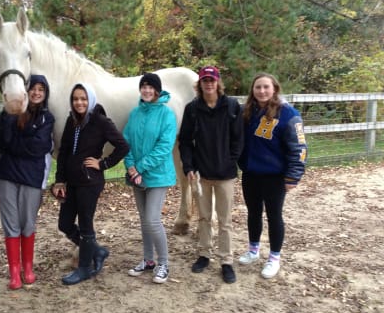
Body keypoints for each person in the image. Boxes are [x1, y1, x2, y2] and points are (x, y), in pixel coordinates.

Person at [51, 83, 129, 285]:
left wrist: (102, 164)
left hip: (89, 182)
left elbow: (122, 146)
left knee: (86, 225)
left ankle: (84, 268)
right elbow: (65, 151)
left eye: (83, 99)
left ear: (91, 100)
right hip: (71, 182)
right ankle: (97, 251)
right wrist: (60, 179)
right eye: (76, 99)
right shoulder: (72, 121)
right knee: (65, 223)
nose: (79, 102)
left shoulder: (101, 121)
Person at [178, 65, 244, 284]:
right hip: (201, 173)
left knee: (225, 220)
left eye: (212, 80)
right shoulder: (193, 109)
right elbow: (185, 141)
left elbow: (238, 139)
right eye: (205, 80)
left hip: (225, 173)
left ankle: (226, 260)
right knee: (204, 217)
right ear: (200, 84)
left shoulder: (232, 106)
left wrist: (230, 160)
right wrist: (188, 167)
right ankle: (204, 254)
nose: (208, 84)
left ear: (218, 82)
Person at [237, 73, 307, 279]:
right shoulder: (246, 112)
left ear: (274, 88)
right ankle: (253, 250)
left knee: (274, 216)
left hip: (275, 176)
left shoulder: (288, 114)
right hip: (251, 173)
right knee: (253, 213)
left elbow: (299, 147)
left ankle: (274, 257)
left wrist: (293, 175)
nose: (262, 91)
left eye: (266, 87)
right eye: (257, 87)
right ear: (253, 90)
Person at [0, 74, 55, 289]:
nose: (37, 93)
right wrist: (25, 138)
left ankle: (28, 267)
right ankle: (14, 271)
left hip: (32, 177)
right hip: (7, 175)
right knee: (10, 223)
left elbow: (39, 147)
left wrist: (19, 143)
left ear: (45, 93)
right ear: (25, 91)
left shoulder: (47, 119)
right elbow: (5, 142)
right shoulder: (9, 115)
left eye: (41, 89)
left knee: (28, 222)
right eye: (33, 88)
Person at [123, 72, 177, 284]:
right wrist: (130, 166)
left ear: (157, 90)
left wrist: (140, 168)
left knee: (153, 219)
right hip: (136, 175)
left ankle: (164, 263)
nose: (146, 90)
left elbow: (164, 147)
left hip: (158, 176)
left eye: (150, 87)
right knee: (144, 220)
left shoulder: (167, 114)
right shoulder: (135, 113)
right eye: (143, 86)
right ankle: (148, 260)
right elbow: (125, 142)